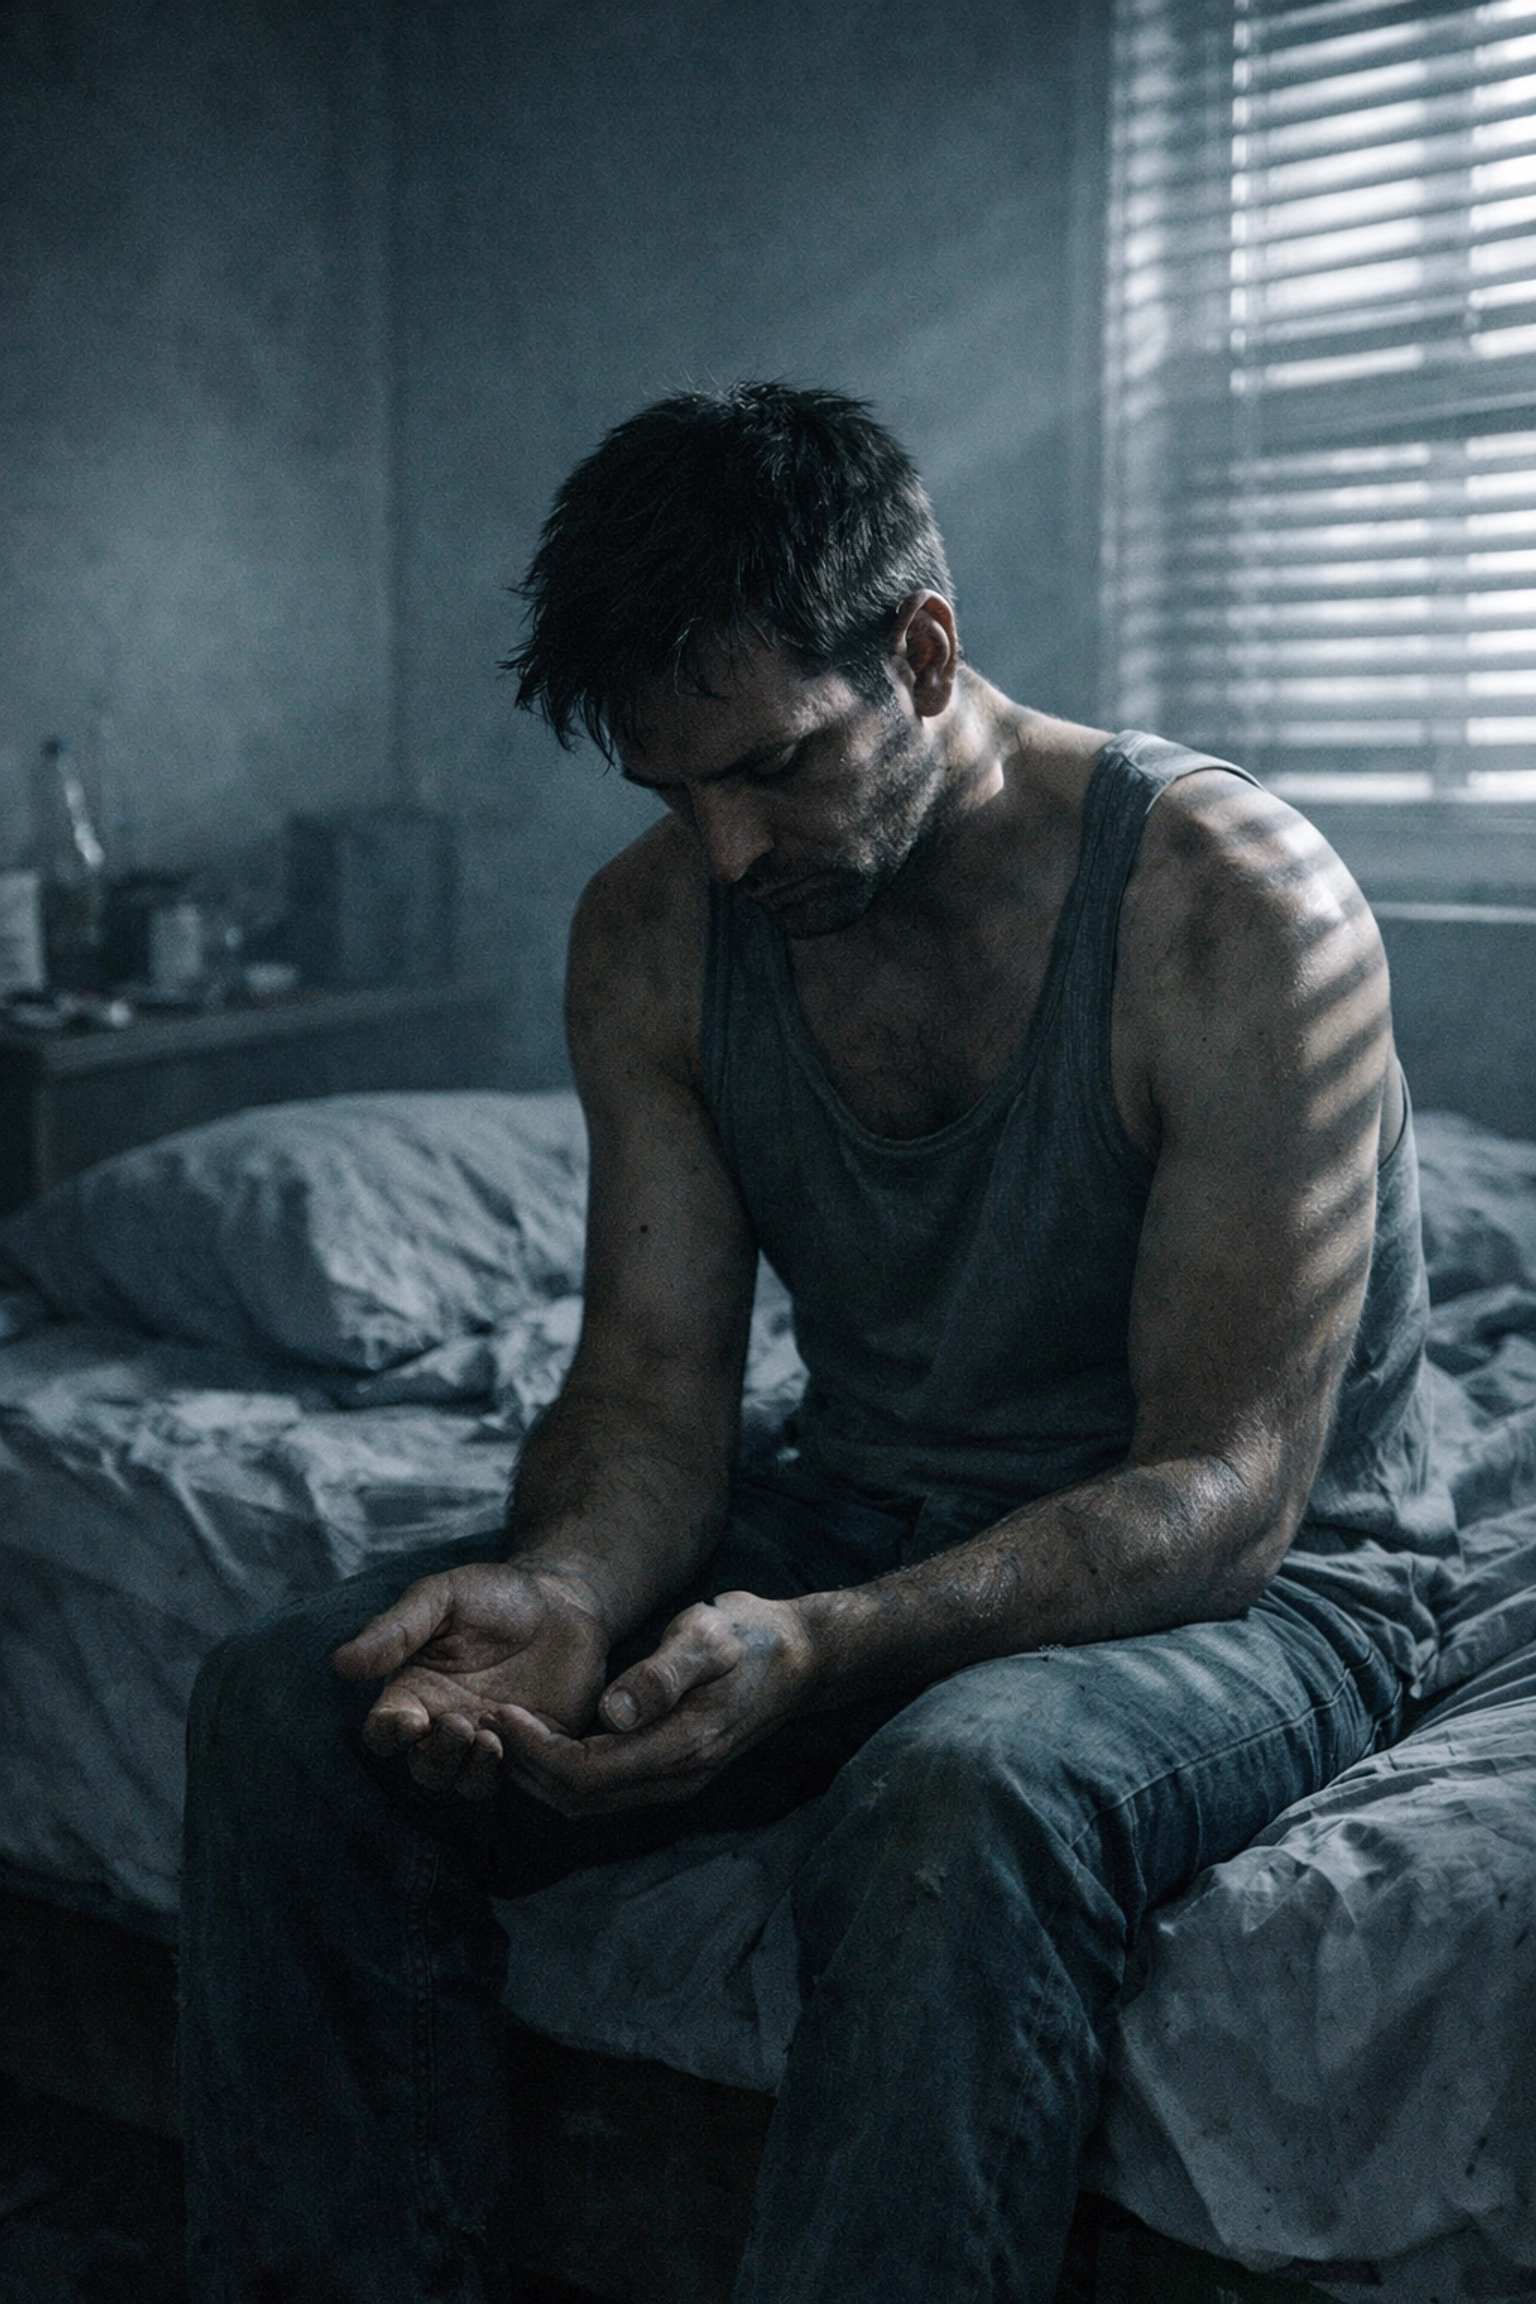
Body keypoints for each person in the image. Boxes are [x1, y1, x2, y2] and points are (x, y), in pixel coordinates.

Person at [180, 384, 1444, 2304]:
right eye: (670, 790)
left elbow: (1227, 1495)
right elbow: (651, 1388)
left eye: (768, 765)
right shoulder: (657, 932)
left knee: (958, 1793)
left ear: (923, 653)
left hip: (1261, 1588)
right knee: (294, 1706)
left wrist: (827, 1649)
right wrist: (571, 1587)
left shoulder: (1234, 913)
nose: (723, 842)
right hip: (865, 1502)